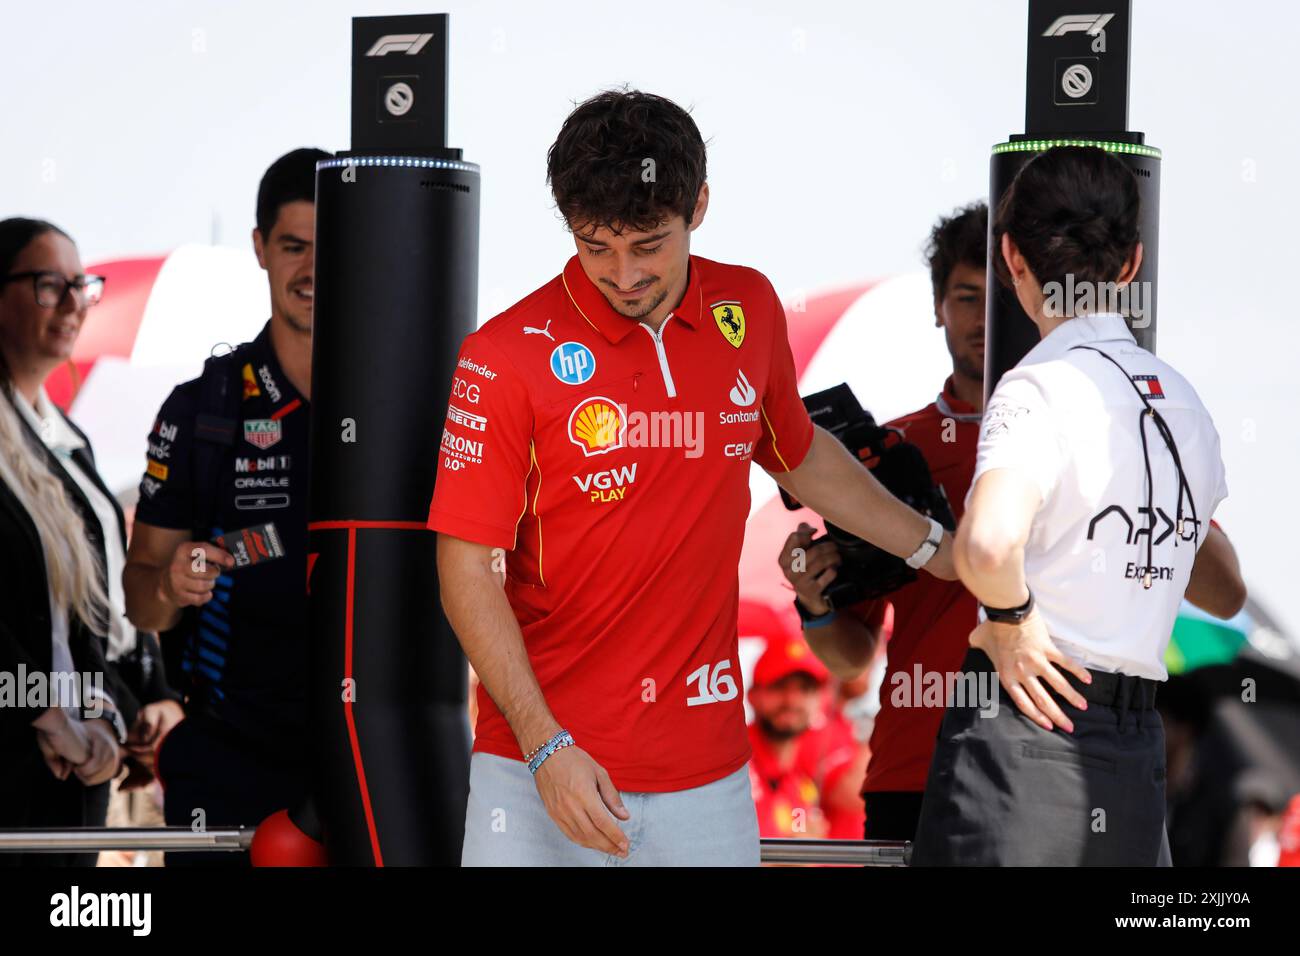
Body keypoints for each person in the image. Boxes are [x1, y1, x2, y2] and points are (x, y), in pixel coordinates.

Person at [430, 89, 957, 867]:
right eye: (595, 245)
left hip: (706, 779)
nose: (622, 273)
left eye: (648, 243)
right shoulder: (503, 355)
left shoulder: (747, 304)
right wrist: (546, 751)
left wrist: (938, 552)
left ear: (698, 205)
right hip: (538, 772)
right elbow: (465, 565)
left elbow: (799, 453)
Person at [911, 146, 1245, 865]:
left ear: (1010, 259)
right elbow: (1227, 590)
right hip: (1135, 748)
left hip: (1027, 732)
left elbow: (987, 547)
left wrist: (1011, 619)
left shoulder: (1038, 388)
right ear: (1131, 265)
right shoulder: (1185, 402)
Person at [123, 148, 330, 866]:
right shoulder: (205, 408)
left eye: (328, 247)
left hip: (373, 751)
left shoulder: (408, 400)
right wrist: (171, 583)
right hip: (232, 761)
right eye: (293, 246)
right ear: (260, 249)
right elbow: (142, 600)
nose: (311, 269)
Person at [779, 203, 987, 842]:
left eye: (1001, 296)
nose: (983, 317)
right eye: (965, 296)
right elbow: (851, 659)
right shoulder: (885, 453)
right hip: (912, 770)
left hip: (1052, 765)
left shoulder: (1087, 438)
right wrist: (815, 605)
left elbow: (1223, 588)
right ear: (937, 307)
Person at [0, 218, 139, 865]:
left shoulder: (63, 445)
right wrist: (45, 714)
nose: (75, 302)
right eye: (49, 284)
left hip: (68, 775)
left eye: (81, 284)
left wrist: (106, 715)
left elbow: (87, 620)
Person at [746, 636, 865, 839]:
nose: (792, 700)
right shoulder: (731, 764)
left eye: (805, 689)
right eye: (779, 686)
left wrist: (807, 843)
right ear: (753, 695)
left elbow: (797, 834)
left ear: (820, 700)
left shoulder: (799, 781)